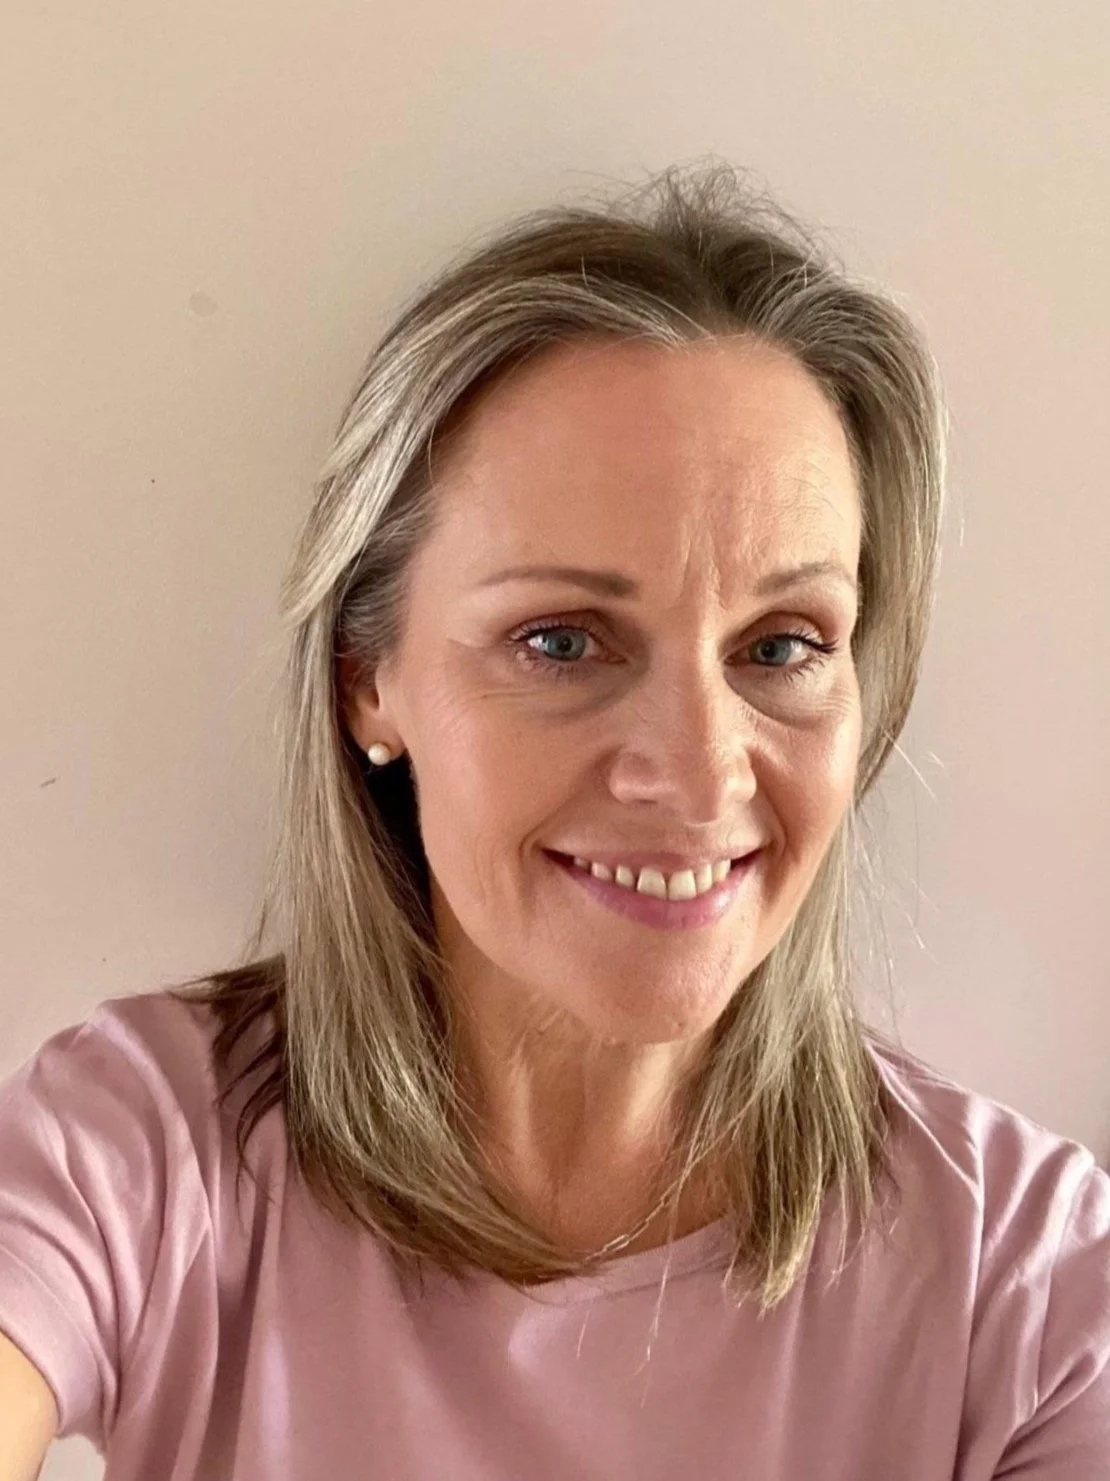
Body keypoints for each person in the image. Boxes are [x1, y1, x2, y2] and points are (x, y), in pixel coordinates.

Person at [1, 162, 1107, 1481]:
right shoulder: (145, 1144)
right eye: (561, 638)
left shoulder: (1025, 1282)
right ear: (371, 681)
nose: (699, 774)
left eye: (781, 643)